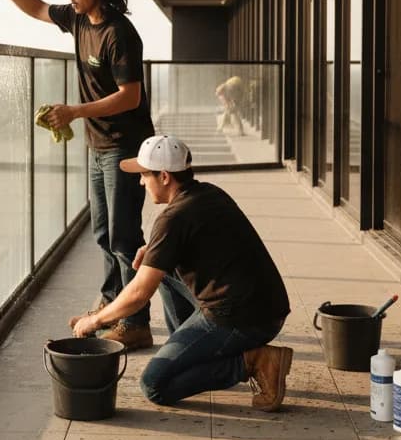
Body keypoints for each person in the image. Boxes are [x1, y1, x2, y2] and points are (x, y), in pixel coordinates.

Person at [0, 0, 156, 350]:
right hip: (99, 146)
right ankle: (112, 307)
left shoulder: (119, 33)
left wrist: (74, 111)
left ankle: (136, 322)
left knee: (124, 236)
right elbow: (38, 8)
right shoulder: (78, 18)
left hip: (124, 147)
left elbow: (130, 97)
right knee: (102, 234)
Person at [70, 135, 294, 411]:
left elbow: (139, 294)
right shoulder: (208, 193)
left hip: (243, 319)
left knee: (155, 385)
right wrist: (153, 249)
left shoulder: (173, 218)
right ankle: (198, 352)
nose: (140, 182)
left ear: (164, 177)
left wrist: (94, 321)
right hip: (266, 307)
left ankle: (251, 361)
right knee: (156, 268)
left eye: (144, 175)